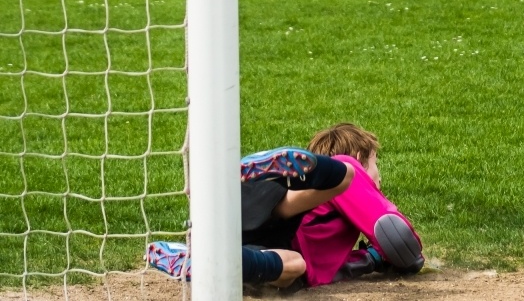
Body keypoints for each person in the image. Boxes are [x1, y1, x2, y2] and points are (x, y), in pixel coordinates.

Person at [147, 146, 355, 288]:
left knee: (346, 175)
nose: (379, 176)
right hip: (261, 223)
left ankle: (204, 258)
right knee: (295, 265)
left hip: (246, 204)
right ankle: (212, 260)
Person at [292, 122, 425, 287]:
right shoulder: (342, 167)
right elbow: (400, 240)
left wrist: (371, 257)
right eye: (376, 163)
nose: (380, 177)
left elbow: (317, 270)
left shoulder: (317, 209)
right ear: (358, 158)